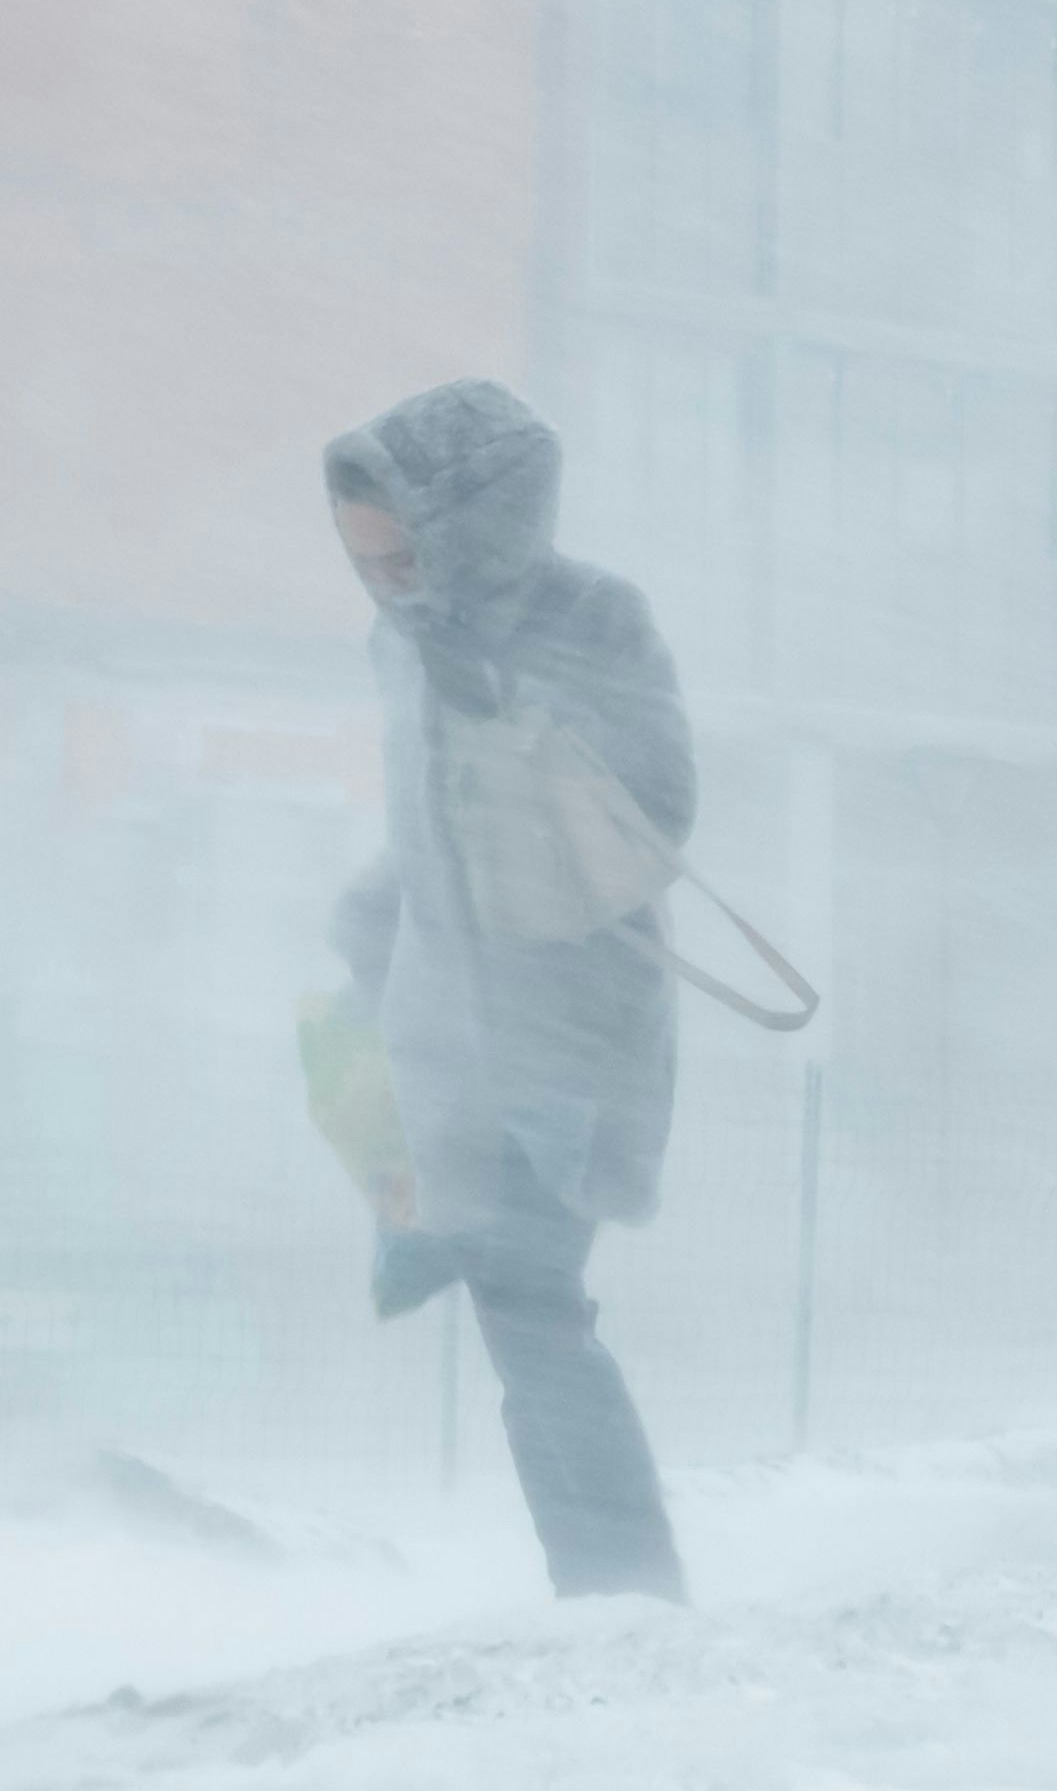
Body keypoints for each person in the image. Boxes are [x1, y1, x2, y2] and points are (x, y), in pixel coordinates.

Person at [322, 378, 692, 1604]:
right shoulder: (404, 637)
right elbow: (436, 832)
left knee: (533, 1309)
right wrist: (379, 908)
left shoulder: (594, 616)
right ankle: (615, 1586)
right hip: (453, 1036)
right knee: (520, 1311)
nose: (381, 577)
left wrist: (515, 698)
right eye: (360, 557)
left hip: (573, 1037)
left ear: (470, 521)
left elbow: (652, 814)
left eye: (401, 550)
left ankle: (623, 1589)